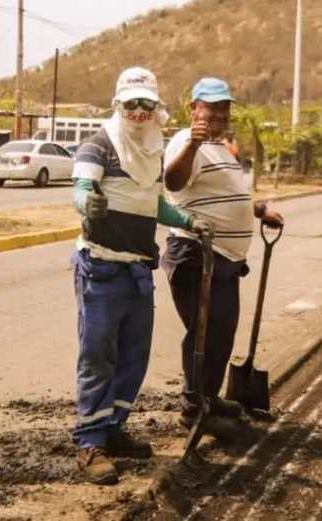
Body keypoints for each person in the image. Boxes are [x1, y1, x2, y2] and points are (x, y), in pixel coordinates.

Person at [69, 66, 211, 485]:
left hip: (137, 268)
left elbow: (154, 204)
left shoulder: (155, 148)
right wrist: (86, 203)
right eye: (130, 103)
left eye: (145, 103)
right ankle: (89, 442)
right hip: (101, 265)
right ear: (118, 104)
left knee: (134, 356)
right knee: (98, 355)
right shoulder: (98, 145)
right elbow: (80, 188)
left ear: (156, 108)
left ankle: (113, 430)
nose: (137, 111)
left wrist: (186, 219)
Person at [162, 77, 284, 434]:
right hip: (197, 254)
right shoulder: (188, 142)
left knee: (221, 331)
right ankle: (193, 408)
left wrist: (259, 210)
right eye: (211, 107)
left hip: (225, 258)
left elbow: (231, 196)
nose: (218, 114)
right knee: (204, 332)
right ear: (194, 109)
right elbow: (173, 182)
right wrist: (194, 144)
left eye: (224, 108)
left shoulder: (221, 149)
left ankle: (209, 397)